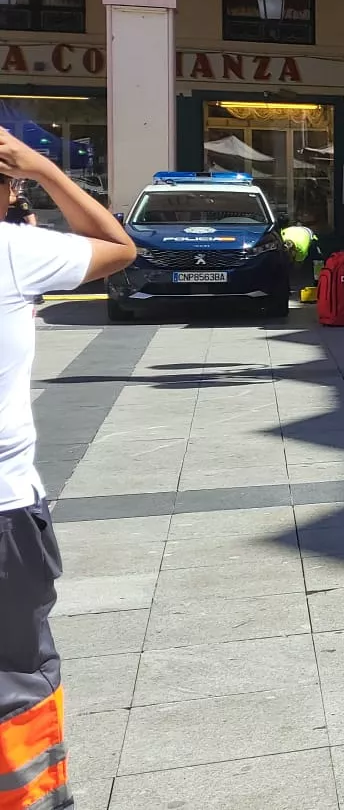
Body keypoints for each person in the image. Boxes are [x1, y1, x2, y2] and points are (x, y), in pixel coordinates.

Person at [0, 131, 135, 810]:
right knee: (15, 674)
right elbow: (118, 246)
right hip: (3, 510)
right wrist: (48, 168)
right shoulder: (12, 251)